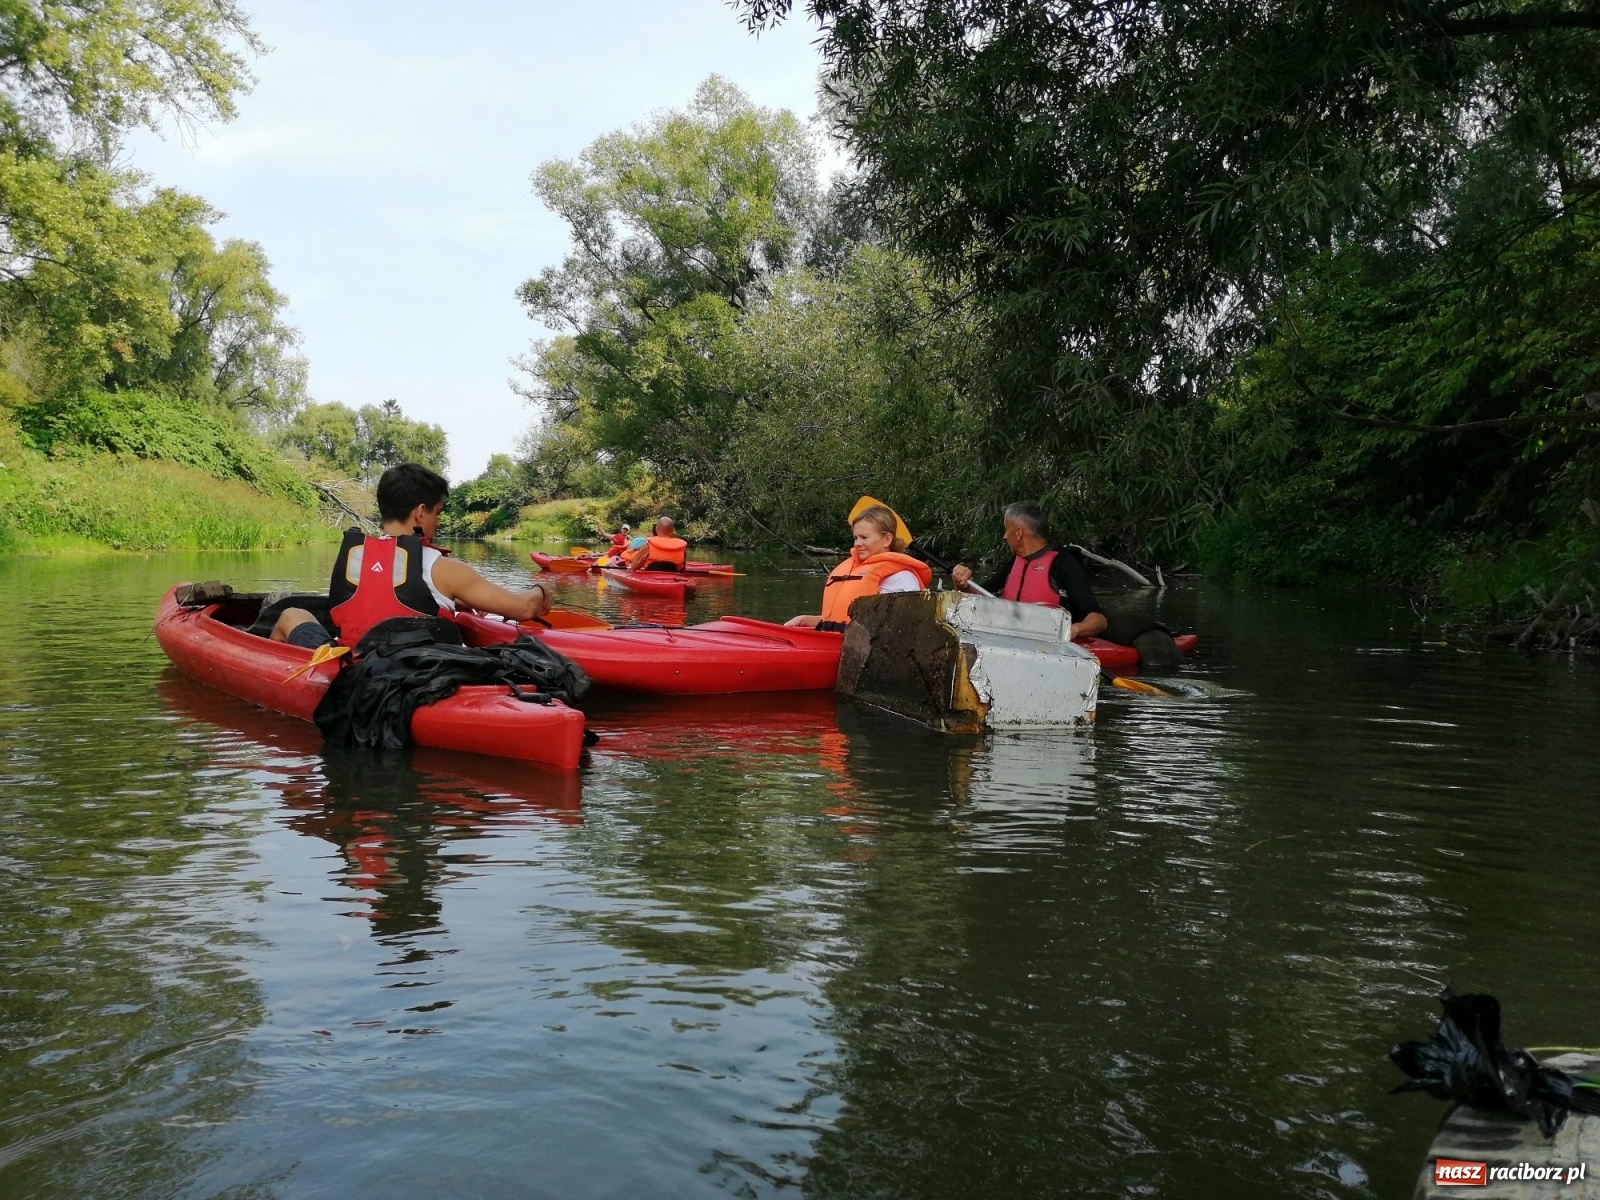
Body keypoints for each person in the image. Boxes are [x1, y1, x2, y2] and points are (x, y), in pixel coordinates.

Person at [271, 463, 552, 650]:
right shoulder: (445, 570)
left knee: (292, 613)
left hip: (350, 667)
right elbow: (523, 608)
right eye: (437, 512)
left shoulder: (354, 559)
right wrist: (541, 590)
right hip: (412, 676)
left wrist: (453, 600)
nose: (438, 522)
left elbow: (385, 597)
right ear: (420, 512)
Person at [950, 501, 1109, 641]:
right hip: (1012, 638)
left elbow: (1099, 620)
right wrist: (962, 584)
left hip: (1050, 644)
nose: (1004, 536)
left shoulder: (1064, 563)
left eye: (1006, 529)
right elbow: (976, 601)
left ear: (1018, 532)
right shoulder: (1014, 563)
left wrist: (1074, 630)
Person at [786, 505, 932, 630]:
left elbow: (908, 630)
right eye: (856, 538)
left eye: (864, 537)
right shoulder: (851, 568)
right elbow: (836, 623)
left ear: (887, 539)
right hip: (837, 642)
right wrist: (804, 620)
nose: (857, 543)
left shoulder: (903, 579)